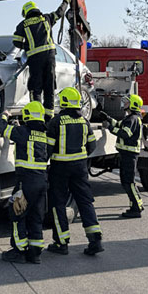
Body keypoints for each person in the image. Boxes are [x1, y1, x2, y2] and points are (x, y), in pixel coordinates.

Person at [46, 86, 103, 256]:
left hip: (60, 169)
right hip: (80, 168)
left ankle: (61, 243)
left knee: (58, 204)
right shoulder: (84, 121)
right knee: (85, 202)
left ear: (63, 102)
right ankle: (95, 240)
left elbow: (48, 149)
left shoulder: (56, 122)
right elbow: (92, 145)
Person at [0, 101, 51, 264]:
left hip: (25, 182)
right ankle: (35, 254)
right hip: (41, 182)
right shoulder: (44, 136)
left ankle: (19, 251)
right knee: (36, 217)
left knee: (17, 215)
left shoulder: (21, 132)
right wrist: (19, 126)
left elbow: (2, 128)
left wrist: (5, 115)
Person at [12, 0, 71, 121]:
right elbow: (60, 12)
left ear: (25, 12)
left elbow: (16, 42)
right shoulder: (47, 18)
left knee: (36, 88)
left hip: (35, 59)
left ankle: (36, 117)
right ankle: (49, 118)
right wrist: (67, 1)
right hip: (50, 59)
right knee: (49, 87)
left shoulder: (23, 25)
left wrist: (26, 46)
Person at [107, 93, 144, 218]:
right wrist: (107, 118)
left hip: (130, 155)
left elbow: (124, 133)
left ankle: (137, 208)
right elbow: (119, 124)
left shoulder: (133, 119)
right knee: (126, 182)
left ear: (133, 104)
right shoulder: (130, 118)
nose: (124, 104)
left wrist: (110, 128)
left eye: (127, 102)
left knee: (129, 182)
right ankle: (135, 206)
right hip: (127, 154)